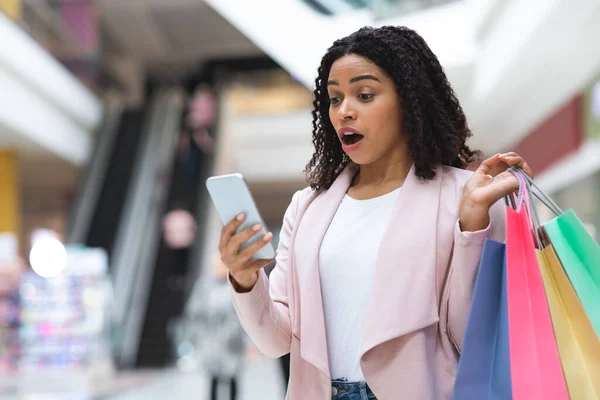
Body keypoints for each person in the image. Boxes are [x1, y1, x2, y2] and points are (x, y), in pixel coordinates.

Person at [217, 26, 533, 400]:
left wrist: (471, 226)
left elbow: (475, 339)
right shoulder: (308, 208)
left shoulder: (467, 196)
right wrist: (245, 279)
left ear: (409, 101)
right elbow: (275, 341)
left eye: (364, 95)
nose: (344, 111)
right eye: (334, 99)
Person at [178, 255, 247, 400]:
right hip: (210, 343)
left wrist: (238, 337)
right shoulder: (204, 286)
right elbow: (194, 313)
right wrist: (193, 338)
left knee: (233, 379)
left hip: (232, 344)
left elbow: (242, 314)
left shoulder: (235, 285)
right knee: (213, 380)